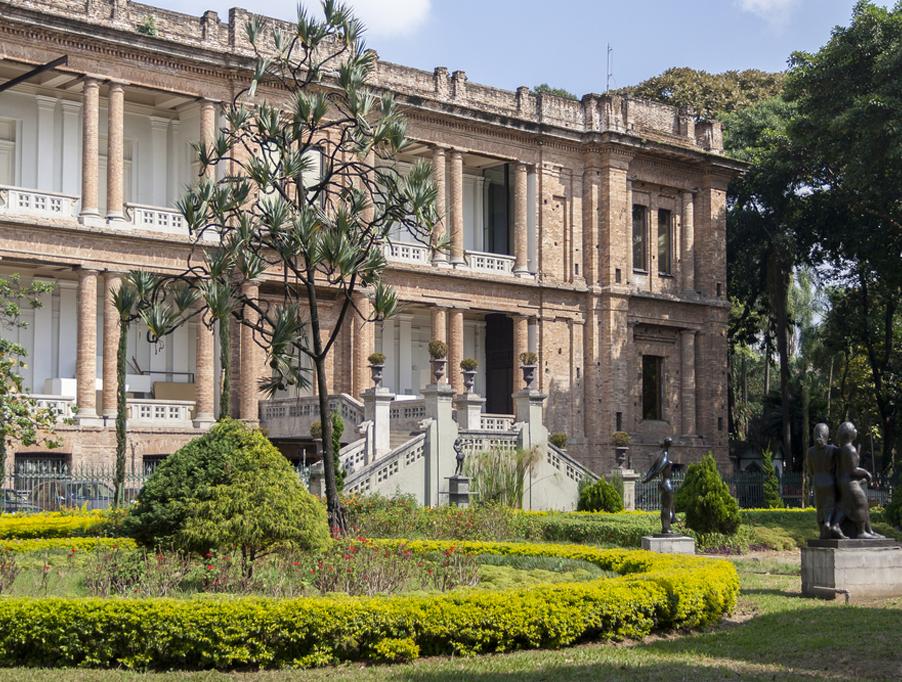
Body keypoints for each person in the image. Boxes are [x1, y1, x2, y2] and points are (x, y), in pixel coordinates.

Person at [834, 421, 883, 539]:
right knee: (861, 503)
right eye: (854, 428)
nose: (856, 430)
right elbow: (853, 470)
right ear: (849, 434)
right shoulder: (850, 449)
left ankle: (869, 530)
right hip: (850, 483)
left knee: (861, 505)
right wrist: (866, 473)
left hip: (844, 482)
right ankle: (861, 532)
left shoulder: (840, 450)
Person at [806, 423, 845, 539]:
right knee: (830, 505)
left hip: (817, 482)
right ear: (827, 435)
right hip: (829, 481)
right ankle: (828, 523)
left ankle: (822, 532)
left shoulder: (810, 452)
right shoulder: (833, 449)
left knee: (820, 508)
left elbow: (811, 470)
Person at [642, 437, 675, 534]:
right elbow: (656, 470)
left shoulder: (662, 456)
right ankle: (666, 528)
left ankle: (670, 523)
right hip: (666, 483)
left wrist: (647, 478)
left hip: (666, 483)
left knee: (670, 505)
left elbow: (652, 469)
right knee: (666, 507)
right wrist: (646, 480)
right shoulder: (664, 457)